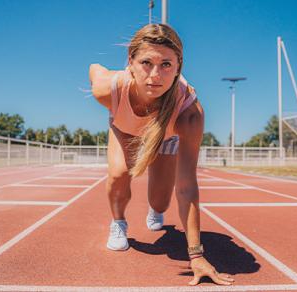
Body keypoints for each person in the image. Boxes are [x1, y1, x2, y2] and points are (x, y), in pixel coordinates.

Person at [89, 24, 234, 286]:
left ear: (179, 67)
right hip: (125, 128)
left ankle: (155, 212)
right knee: (119, 173)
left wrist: (196, 255)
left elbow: (187, 185)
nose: (155, 75)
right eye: (146, 62)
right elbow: (94, 69)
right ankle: (119, 223)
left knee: (161, 202)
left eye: (166, 64)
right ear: (130, 62)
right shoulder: (107, 89)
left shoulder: (188, 112)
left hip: (164, 133)